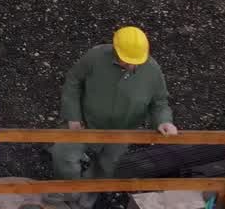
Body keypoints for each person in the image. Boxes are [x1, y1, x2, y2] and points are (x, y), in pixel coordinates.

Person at [48, 27, 178, 208]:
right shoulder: (95, 57)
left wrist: (164, 121)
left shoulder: (152, 71)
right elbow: (73, 81)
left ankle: (89, 193)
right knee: (63, 155)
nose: (132, 66)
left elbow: (159, 102)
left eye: (137, 62)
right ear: (116, 50)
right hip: (86, 122)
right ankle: (66, 190)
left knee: (106, 166)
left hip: (122, 131)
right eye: (127, 61)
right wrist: (73, 116)